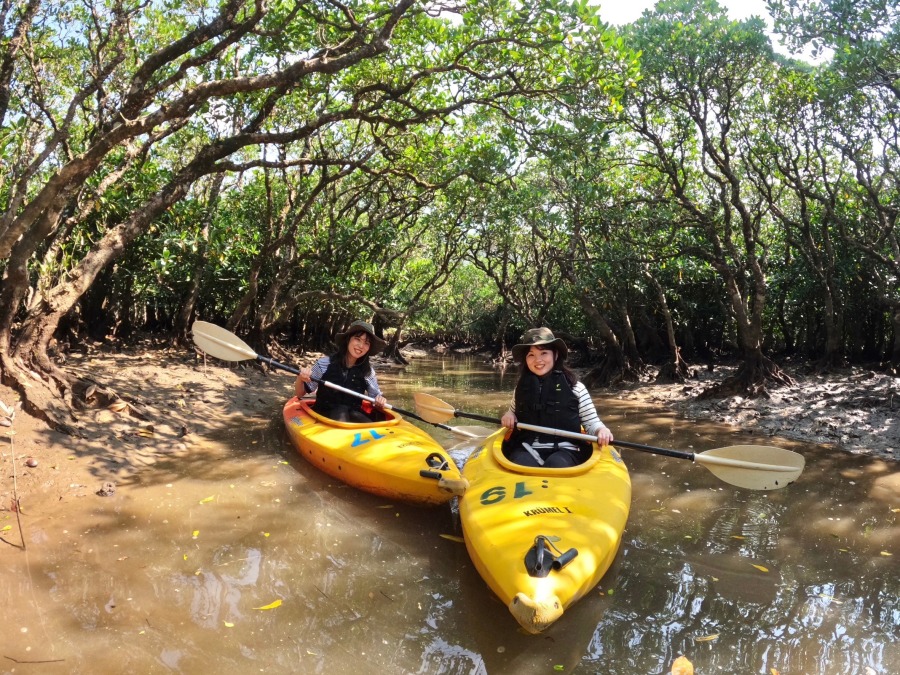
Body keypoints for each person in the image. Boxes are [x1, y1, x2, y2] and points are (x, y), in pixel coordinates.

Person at [500, 327, 614, 468]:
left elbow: (591, 423)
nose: (538, 360)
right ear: (525, 359)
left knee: (556, 463)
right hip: (527, 448)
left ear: (555, 355)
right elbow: (513, 412)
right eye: (531, 355)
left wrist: (601, 430)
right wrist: (509, 414)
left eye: (544, 353)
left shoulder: (576, 388)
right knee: (521, 465)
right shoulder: (522, 388)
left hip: (566, 450)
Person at [295, 320, 389, 423]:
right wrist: (300, 378)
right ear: (348, 339)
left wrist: (380, 402)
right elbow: (300, 394)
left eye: (366, 343)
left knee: (353, 413)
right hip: (323, 415)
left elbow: (375, 400)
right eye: (357, 339)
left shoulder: (368, 372)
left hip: (353, 415)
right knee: (341, 409)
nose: (361, 346)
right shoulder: (324, 364)